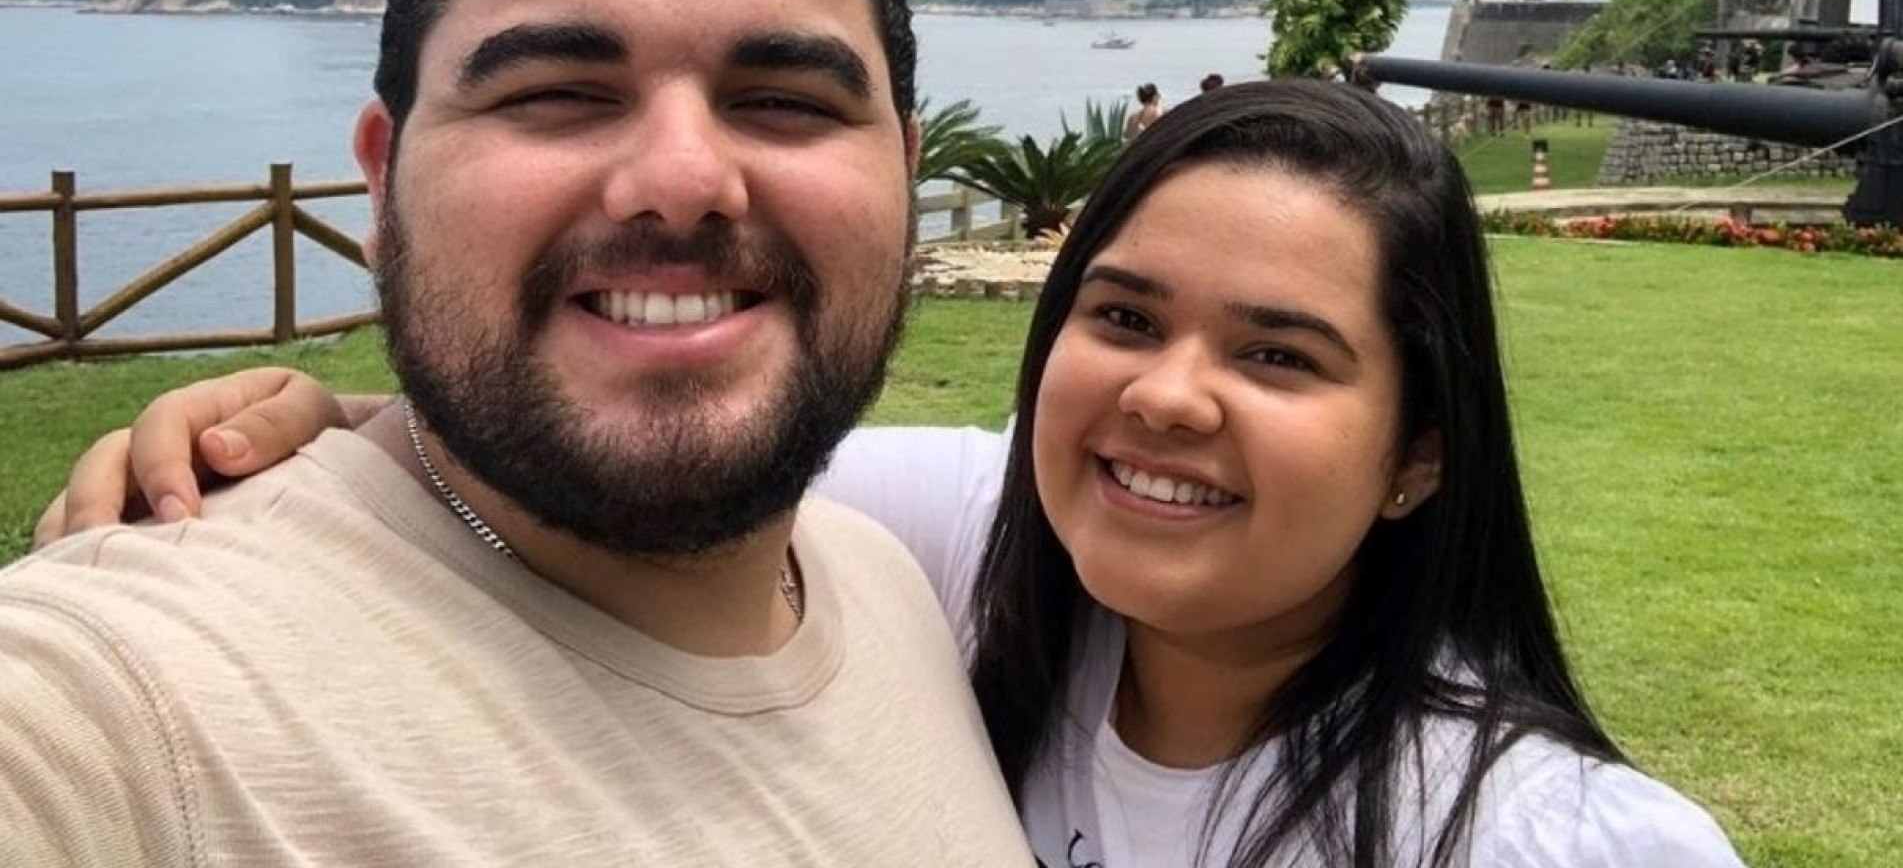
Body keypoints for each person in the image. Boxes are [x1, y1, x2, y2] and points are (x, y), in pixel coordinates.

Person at [48, 81, 1744, 867]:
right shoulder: (976, 544)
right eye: (1122, 317)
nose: (1165, 397)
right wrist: (336, 417)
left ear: (1418, 453)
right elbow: (641, 463)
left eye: (1278, 357)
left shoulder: (1543, 836)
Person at [0, 0, 1032, 864]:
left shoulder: (896, 584)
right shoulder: (124, 702)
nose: (683, 179)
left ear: (903, 174)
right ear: (384, 183)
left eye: (784, 100)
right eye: (557, 93)